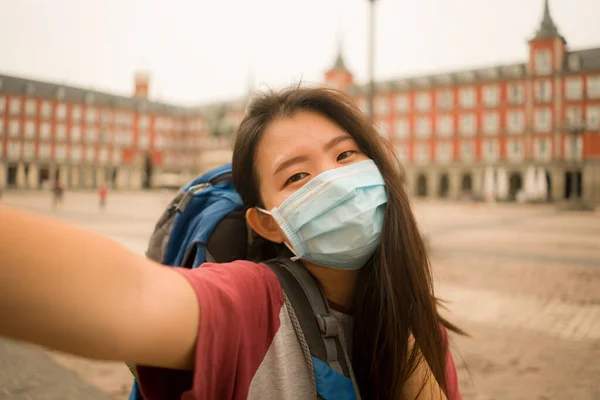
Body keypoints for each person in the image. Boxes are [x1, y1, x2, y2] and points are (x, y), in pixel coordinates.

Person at [0, 87, 463, 400]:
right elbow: (132, 295)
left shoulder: (423, 326)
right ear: (267, 224)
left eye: (345, 155)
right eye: (297, 176)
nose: (334, 181)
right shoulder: (252, 305)